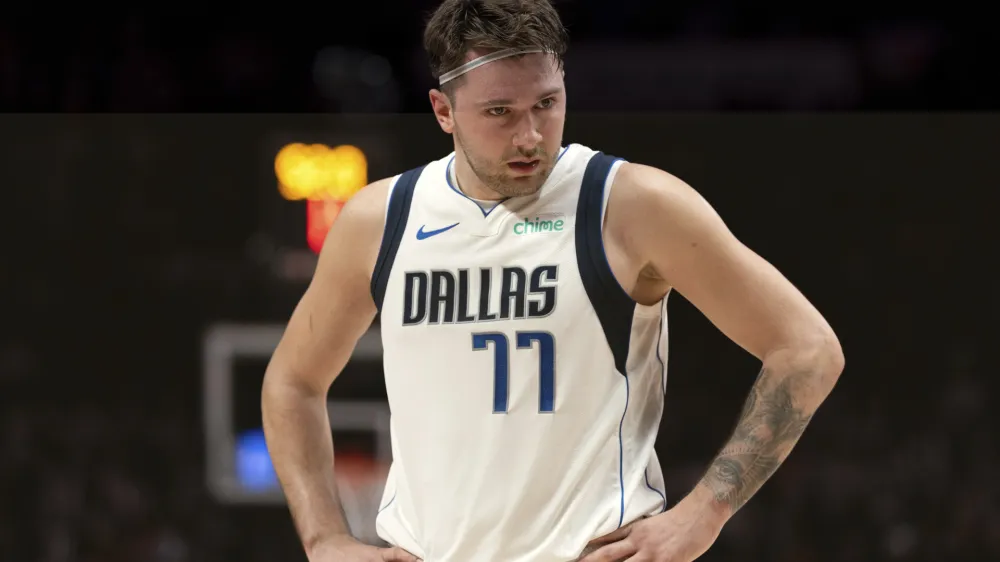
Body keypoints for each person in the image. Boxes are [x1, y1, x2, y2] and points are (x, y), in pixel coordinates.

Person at [261, 1, 845, 560]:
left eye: (547, 103)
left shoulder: (630, 204)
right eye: (500, 112)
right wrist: (323, 539)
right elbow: (292, 382)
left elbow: (808, 349)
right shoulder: (379, 219)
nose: (530, 136)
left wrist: (704, 514)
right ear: (443, 111)